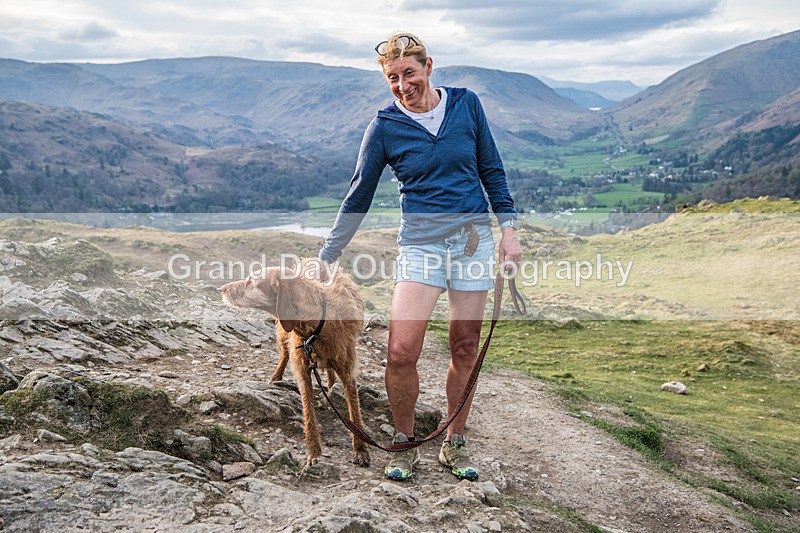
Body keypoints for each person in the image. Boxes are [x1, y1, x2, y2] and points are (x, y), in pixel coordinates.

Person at [317, 31, 522, 481]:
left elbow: (492, 170)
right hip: (421, 246)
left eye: (409, 73)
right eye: (392, 78)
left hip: (472, 241)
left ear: (429, 67)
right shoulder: (385, 127)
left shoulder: (466, 105)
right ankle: (405, 442)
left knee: (465, 346)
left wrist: (509, 230)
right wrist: (329, 254)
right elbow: (358, 195)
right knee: (401, 351)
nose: (402, 85)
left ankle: (455, 441)